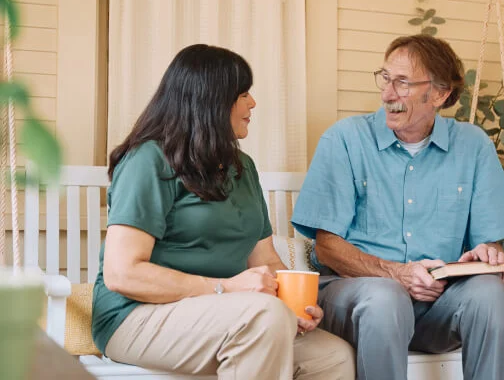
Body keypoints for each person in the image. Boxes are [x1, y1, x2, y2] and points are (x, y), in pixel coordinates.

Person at [91, 44, 355, 380]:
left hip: (228, 314)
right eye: (243, 94)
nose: (252, 103)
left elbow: (266, 261)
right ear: (211, 100)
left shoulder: (242, 168)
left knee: (333, 357)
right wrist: (226, 288)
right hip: (136, 317)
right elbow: (122, 273)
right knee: (263, 317)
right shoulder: (149, 160)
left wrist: (296, 305)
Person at [291, 34, 504, 380]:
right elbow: (327, 246)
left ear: (439, 94)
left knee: (490, 292)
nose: (387, 94)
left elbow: (490, 244)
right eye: (385, 78)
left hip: (437, 308)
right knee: (386, 297)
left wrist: (486, 253)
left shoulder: (473, 147)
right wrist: (397, 274)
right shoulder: (345, 140)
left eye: (403, 83)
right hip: (358, 300)